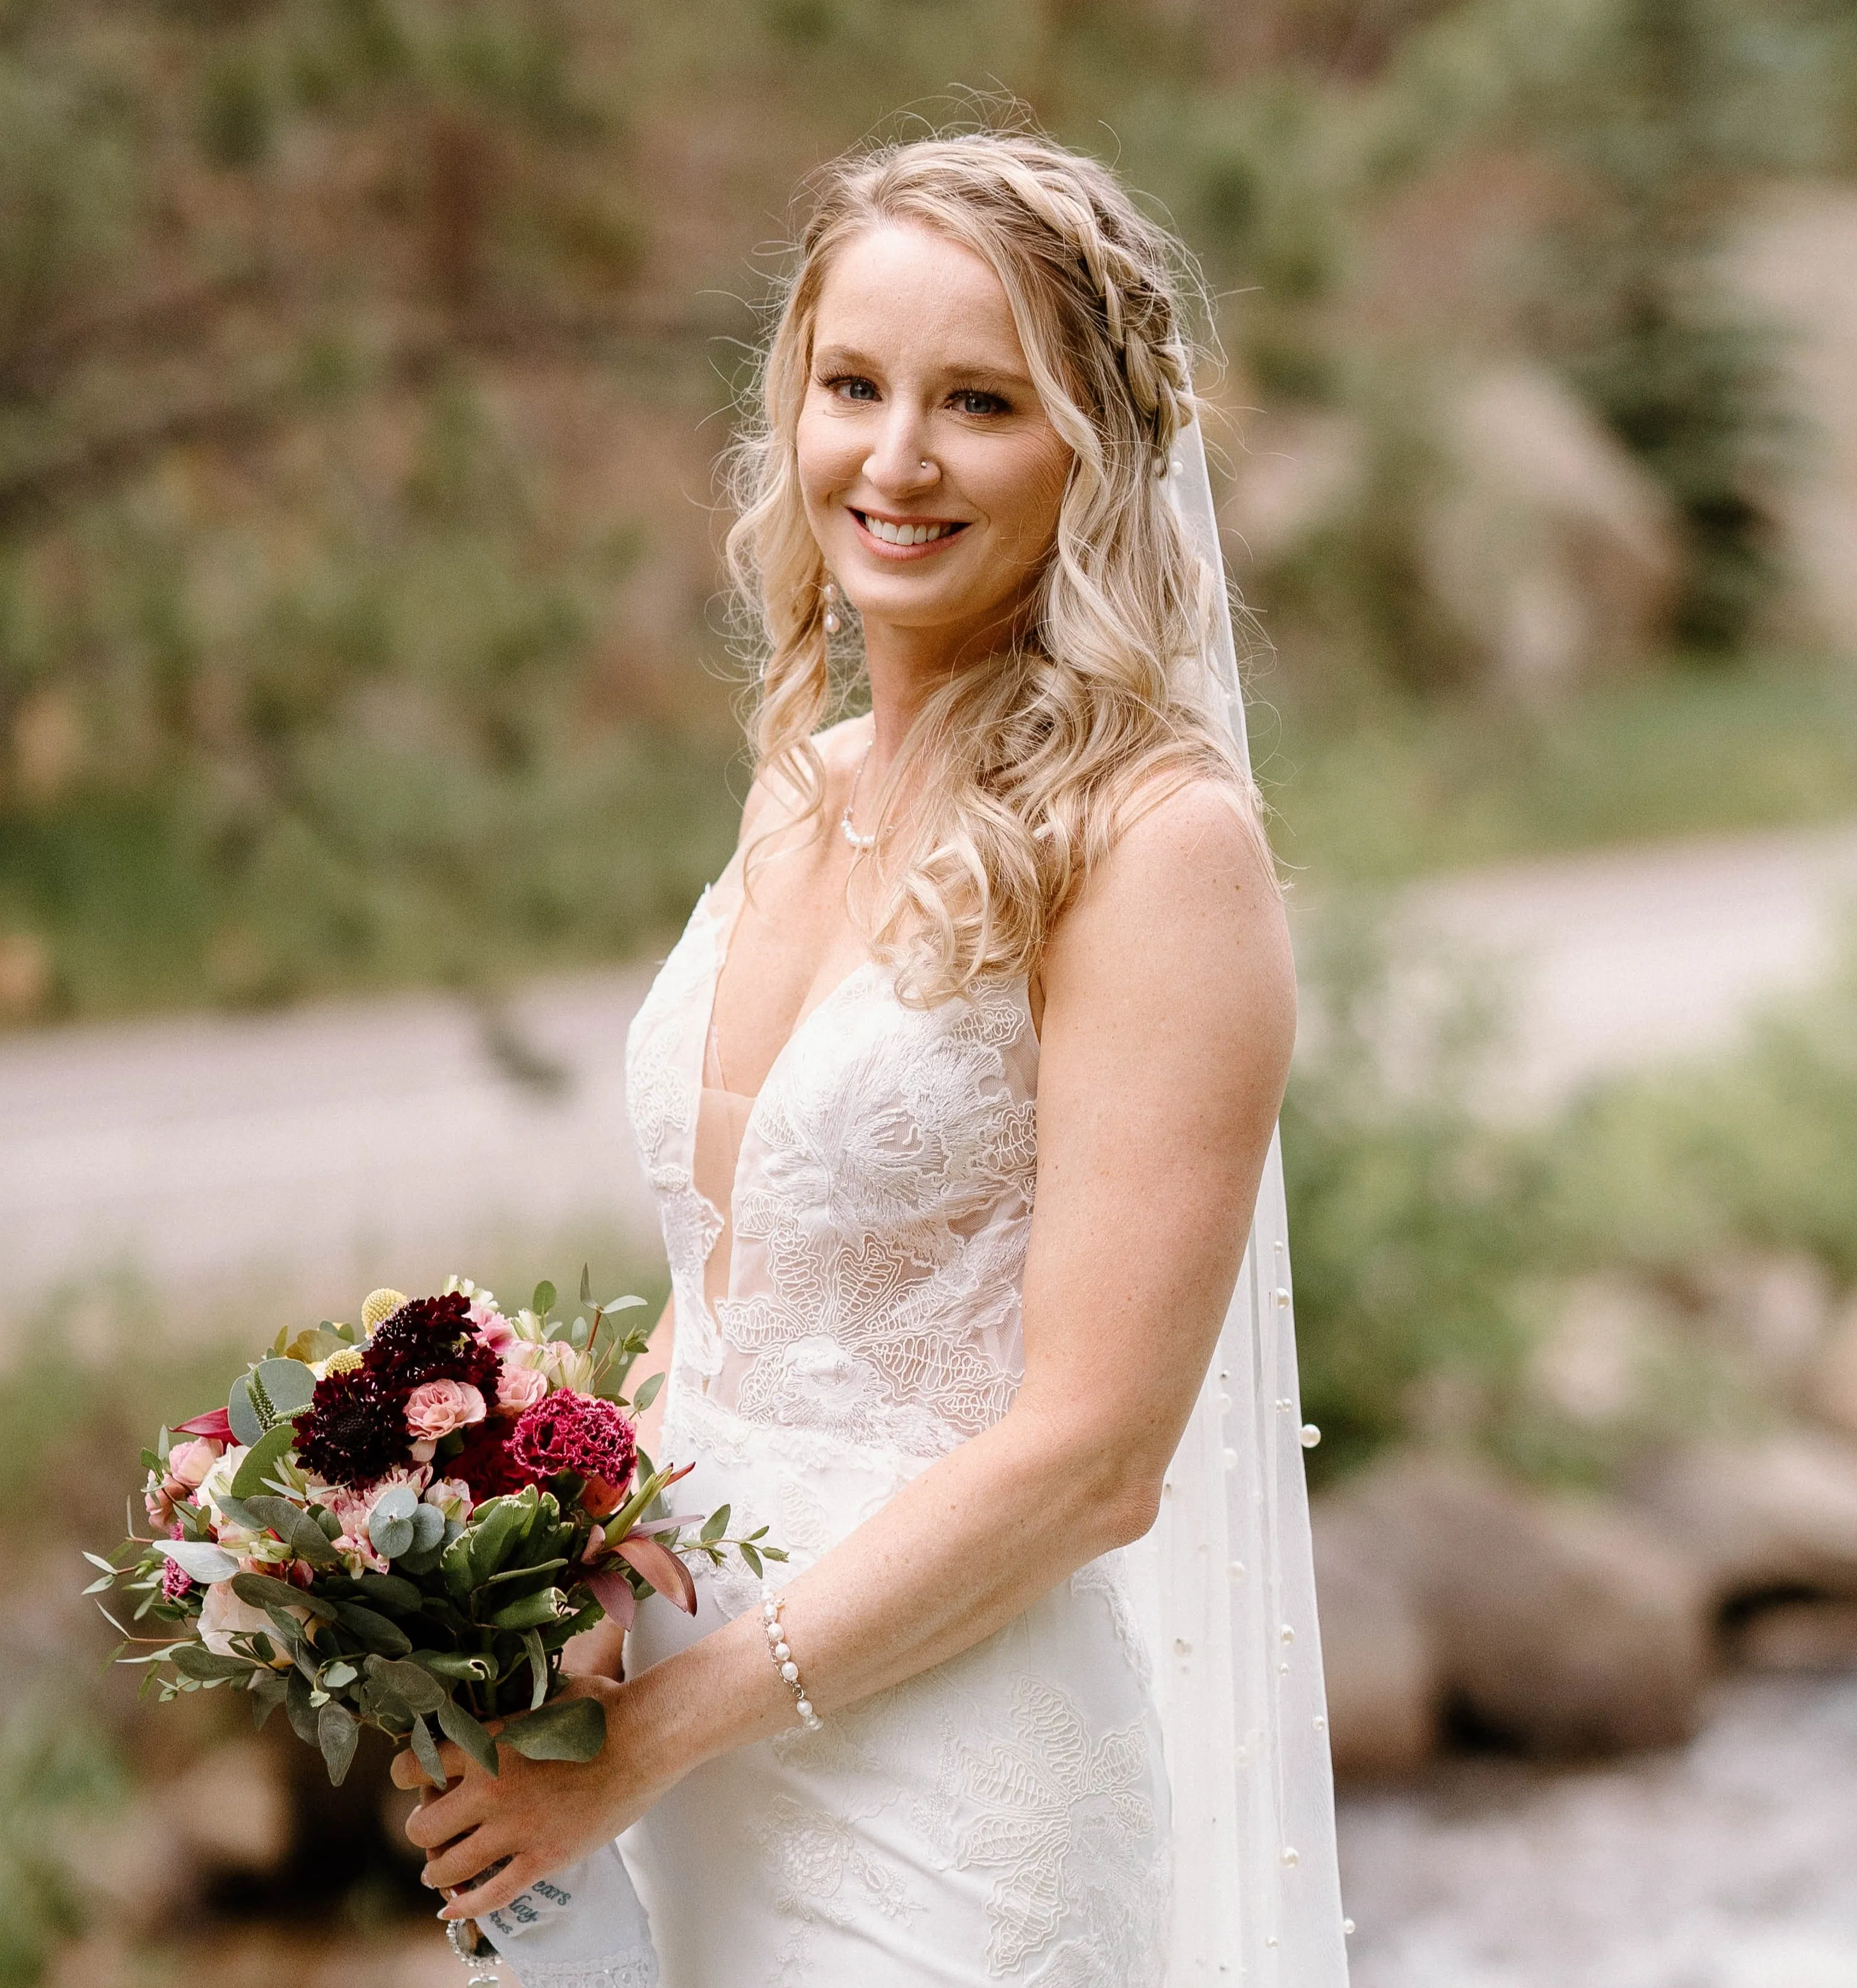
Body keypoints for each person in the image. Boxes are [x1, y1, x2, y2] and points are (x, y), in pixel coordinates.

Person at [397, 127, 1347, 1987]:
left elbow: (1092, 1458)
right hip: (677, 1761)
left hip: (943, 1797)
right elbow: (727, 1297)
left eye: (977, 401)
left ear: (1095, 447)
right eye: (853, 386)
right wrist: (559, 1575)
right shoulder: (801, 785)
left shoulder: (1157, 849)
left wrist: (645, 1747)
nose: (893, 461)